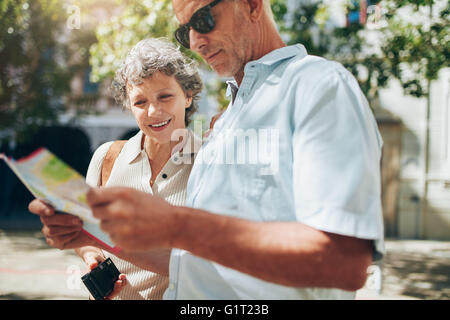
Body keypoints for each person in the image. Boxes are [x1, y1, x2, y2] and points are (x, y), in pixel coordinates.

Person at [34, 0, 385, 300]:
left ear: (251, 4)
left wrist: (176, 223)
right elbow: (191, 263)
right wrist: (88, 234)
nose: (194, 42)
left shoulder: (317, 85)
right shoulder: (227, 121)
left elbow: (345, 261)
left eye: (203, 20)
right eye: (184, 30)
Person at [29, 38, 203, 299]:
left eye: (165, 97)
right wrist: (92, 256)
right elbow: (87, 234)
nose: (153, 111)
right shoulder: (107, 156)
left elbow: (198, 265)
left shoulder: (209, 162)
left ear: (188, 96)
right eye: (140, 102)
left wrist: (100, 239)